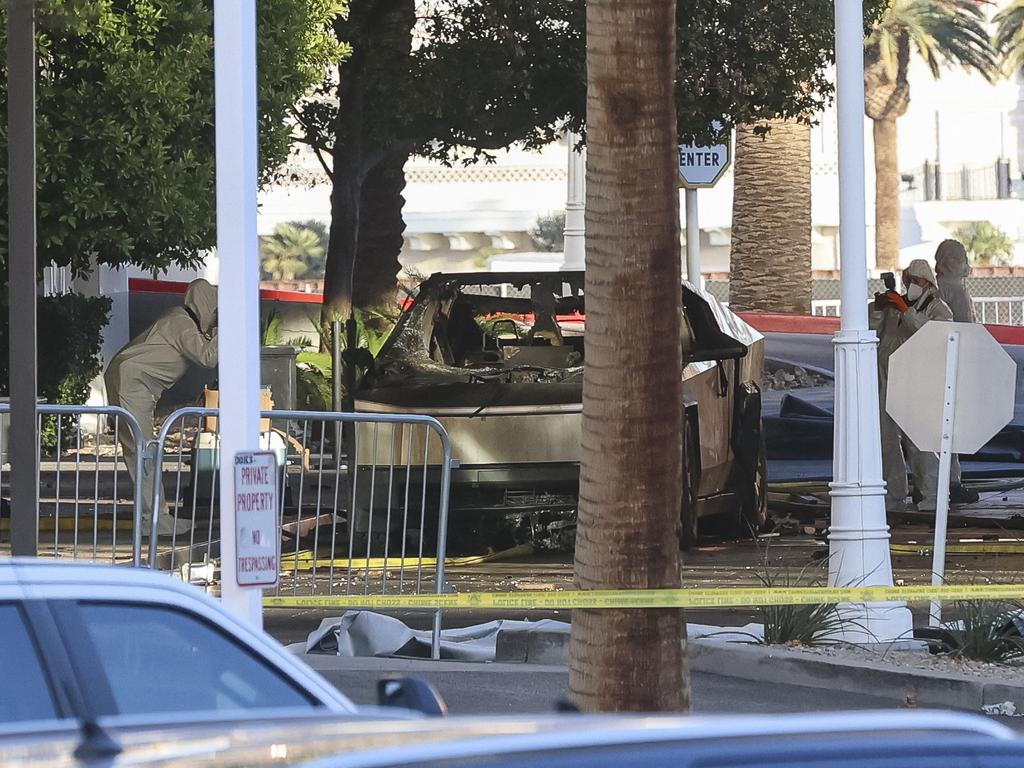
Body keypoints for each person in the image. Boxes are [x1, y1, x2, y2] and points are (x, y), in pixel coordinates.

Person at [105, 279, 218, 536]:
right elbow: (207, 357)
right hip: (132, 382)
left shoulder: (181, 321)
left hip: (133, 382)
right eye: (213, 310)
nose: (213, 317)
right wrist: (227, 328)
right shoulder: (181, 323)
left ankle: (154, 517)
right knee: (142, 452)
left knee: (143, 451)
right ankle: (153, 520)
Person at [871, 259, 952, 514]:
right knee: (888, 443)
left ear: (928, 282)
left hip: (918, 385)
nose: (912, 286)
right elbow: (875, 329)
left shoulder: (939, 309)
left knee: (920, 443)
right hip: (889, 379)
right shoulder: (896, 307)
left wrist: (905, 309)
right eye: (909, 281)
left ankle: (934, 497)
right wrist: (878, 307)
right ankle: (893, 497)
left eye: (916, 281)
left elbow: (928, 336)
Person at [933, 239, 980, 504]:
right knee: (951, 427)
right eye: (962, 260)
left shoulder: (934, 289)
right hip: (952, 367)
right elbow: (968, 330)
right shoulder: (956, 292)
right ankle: (952, 481)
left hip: (933, 365)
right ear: (950, 263)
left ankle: (931, 480)